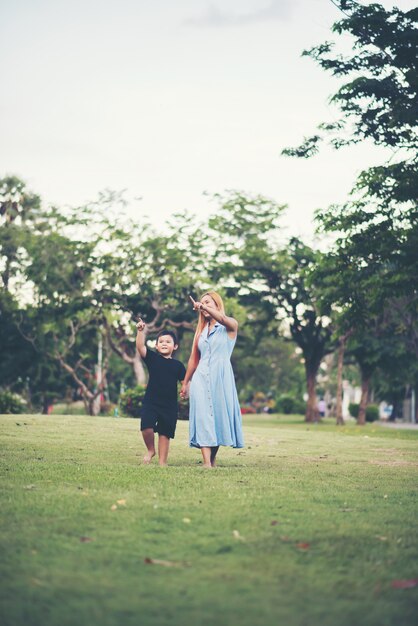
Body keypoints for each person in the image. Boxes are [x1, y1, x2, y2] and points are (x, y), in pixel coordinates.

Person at [180, 291, 244, 468]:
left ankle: (212, 460)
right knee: (203, 417)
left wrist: (204, 307)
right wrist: (186, 382)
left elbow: (223, 319)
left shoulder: (229, 326)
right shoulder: (200, 331)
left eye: (208, 302)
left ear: (217, 304)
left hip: (221, 377)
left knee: (217, 417)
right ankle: (207, 462)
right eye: (201, 303)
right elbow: (194, 358)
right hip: (201, 377)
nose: (204, 306)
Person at [136, 319, 186, 466]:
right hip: (151, 402)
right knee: (146, 426)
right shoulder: (152, 359)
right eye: (161, 341)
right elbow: (140, 347)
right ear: (156, 346)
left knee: (165, 433)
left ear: (175, 346)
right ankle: (151, 450)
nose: (164, 343)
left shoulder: (178, 366)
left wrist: (185, 390)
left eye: (168, 342)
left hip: (169, 405)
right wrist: (140, 331)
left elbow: (184, 382)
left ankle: (162, 462)